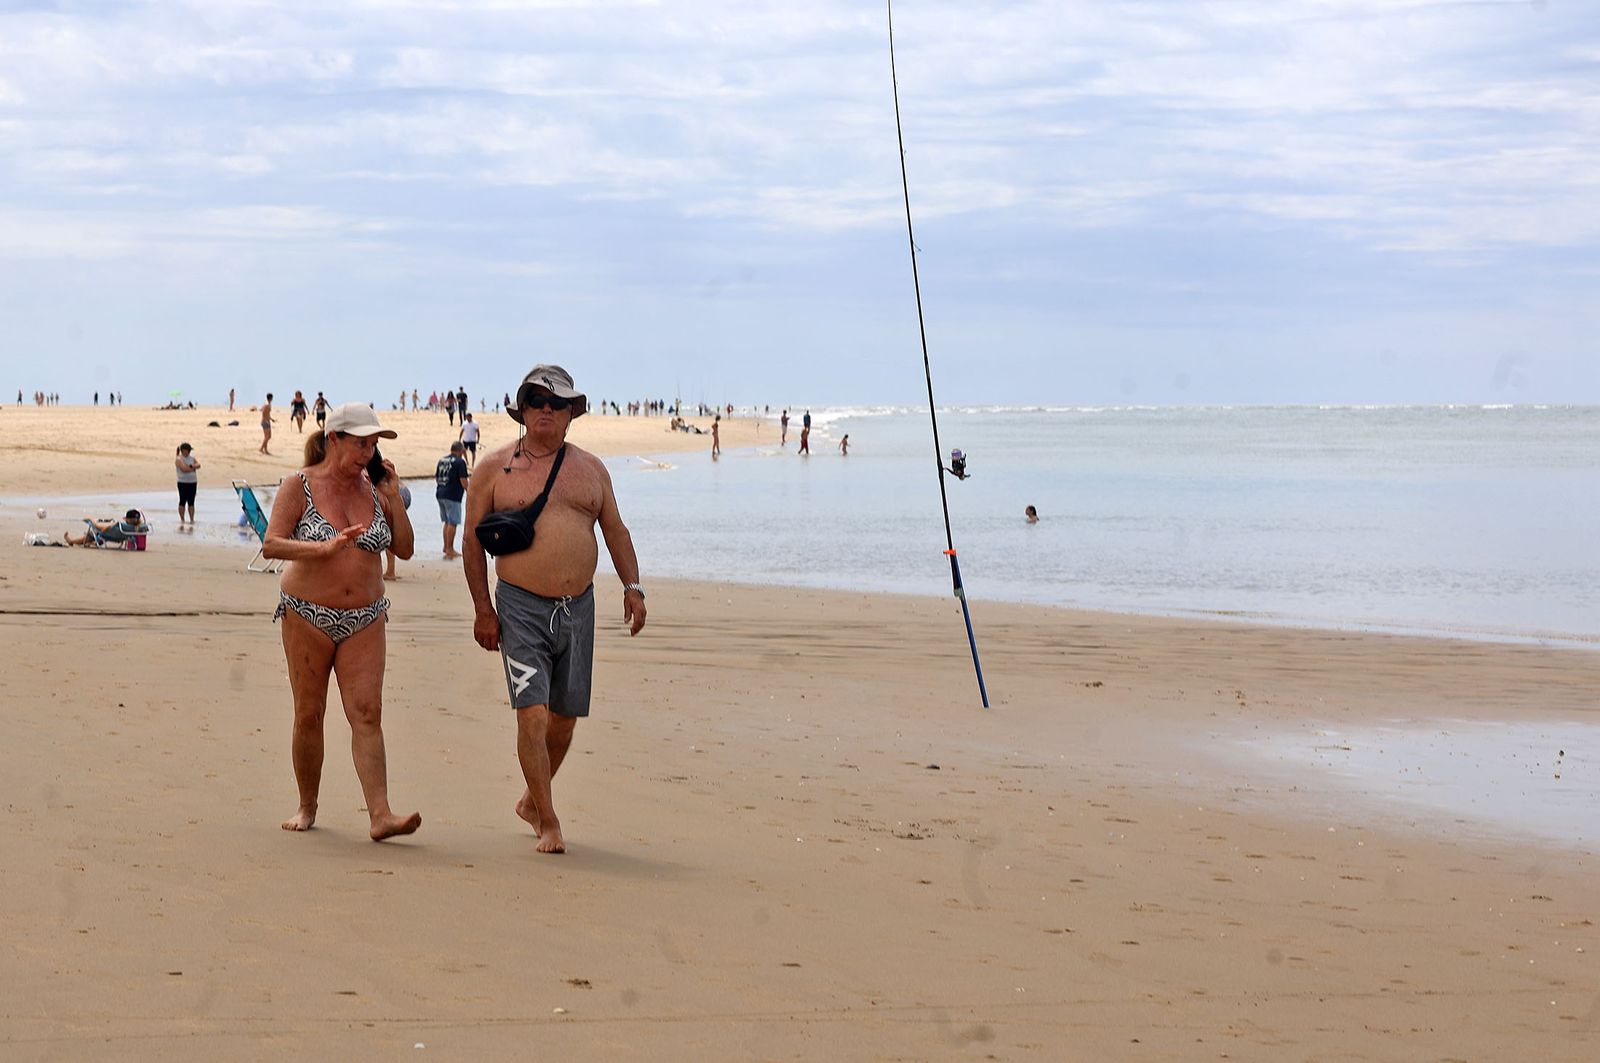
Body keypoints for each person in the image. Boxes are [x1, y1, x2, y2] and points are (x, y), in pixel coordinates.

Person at [463, 364, 646, 854]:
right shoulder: (494, 468)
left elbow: (616, 531)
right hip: (519, 607)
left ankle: (531, 800)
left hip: (577, 609)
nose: (546, 409)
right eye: (536, 400)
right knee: (533, 715)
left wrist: (633, 586)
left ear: (570, 415)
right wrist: (484, 609)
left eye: (556, 403)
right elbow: (471, 544)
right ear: (522, 409)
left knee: (564, 719)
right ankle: (549, 821)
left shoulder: (591, 469)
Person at [262, 403, 419, 841]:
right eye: (361, 443)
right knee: (309, 714)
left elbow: (404, 549)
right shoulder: (299, 485)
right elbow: (272, 545)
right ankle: (306, 805)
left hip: (366, 617)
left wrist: (393, 498)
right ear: (334, 439)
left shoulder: (374, 488)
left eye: (373, 444)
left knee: (367, 713)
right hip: (307, 614)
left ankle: (381, 815)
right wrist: (321, 550)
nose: (368, 452)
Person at [435, 441, 470, 559]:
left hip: (440, 492)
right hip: (453, 494)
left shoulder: (442, 460)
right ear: (461, 451)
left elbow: (437, 477)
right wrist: (470, 493)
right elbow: (463, 480)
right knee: (453, 522)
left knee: (447, 521)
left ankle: (446, 547)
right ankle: (450, 549)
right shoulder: (460, 462)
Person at [66, 509, 145, 546]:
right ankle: (91, 543)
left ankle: (72, 541)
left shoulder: (120, 525)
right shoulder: (139, 528)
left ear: (126, 519)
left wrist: (91, 520)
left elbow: (100, 528)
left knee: (94, 533)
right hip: (121, 538)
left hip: (107, 535)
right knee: (100, 535)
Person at [175, 443, 200, 524]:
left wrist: (191, 466)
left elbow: (198, 465)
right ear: (183, 451)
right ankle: (182, 519)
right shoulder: (179, 459)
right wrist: (192, 467)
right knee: (182, 500)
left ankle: (192, 519)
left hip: (192, 482)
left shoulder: (192, 458)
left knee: (191, 502)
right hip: (183, 482)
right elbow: (184, 469)